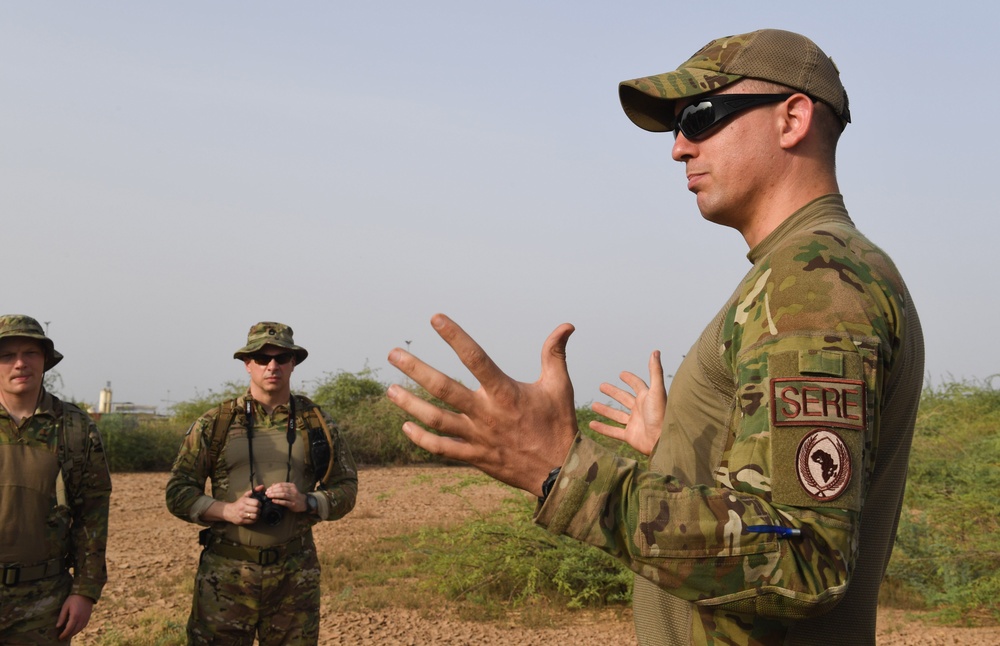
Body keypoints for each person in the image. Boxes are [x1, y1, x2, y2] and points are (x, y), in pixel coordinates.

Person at [385, 29, 924, 646]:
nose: (677, 148)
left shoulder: (813, 285)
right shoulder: (811, 273)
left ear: (792, 118)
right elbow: (774, 508)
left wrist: (562, 471)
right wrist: (682, 450)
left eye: (699, 116)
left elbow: (802, 557)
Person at [166, 321, 358, 645]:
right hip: (225, 576)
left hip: (295, 575)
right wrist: (226, 511)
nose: (273, 366)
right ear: (247, 364)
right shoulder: (217, 423)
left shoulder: (317, 423)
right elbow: (178, 491)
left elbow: (346, 487)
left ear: (293, 363)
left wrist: (308, 502)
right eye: (262, 358)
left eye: (282, 358)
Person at [0, 314, 112, 643]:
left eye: (30, 353)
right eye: (7, 355)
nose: (20, 363)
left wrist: (85, 591)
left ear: (45, 361)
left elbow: (92, 513)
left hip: (44, 601)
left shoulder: (75, 427)